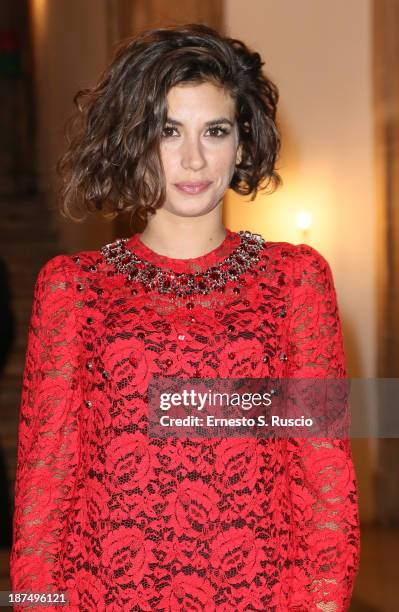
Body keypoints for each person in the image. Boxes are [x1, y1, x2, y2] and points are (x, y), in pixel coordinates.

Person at [10, 23, 360, 611]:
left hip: (259, 597)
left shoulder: (294, 280)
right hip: (106, 597)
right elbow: (44, 489)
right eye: (167, 131)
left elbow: (324, 478)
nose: (193, 158)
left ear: (242, 144)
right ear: (132, 141)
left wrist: (321, 603)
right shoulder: (74, 289)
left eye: (214, 131)